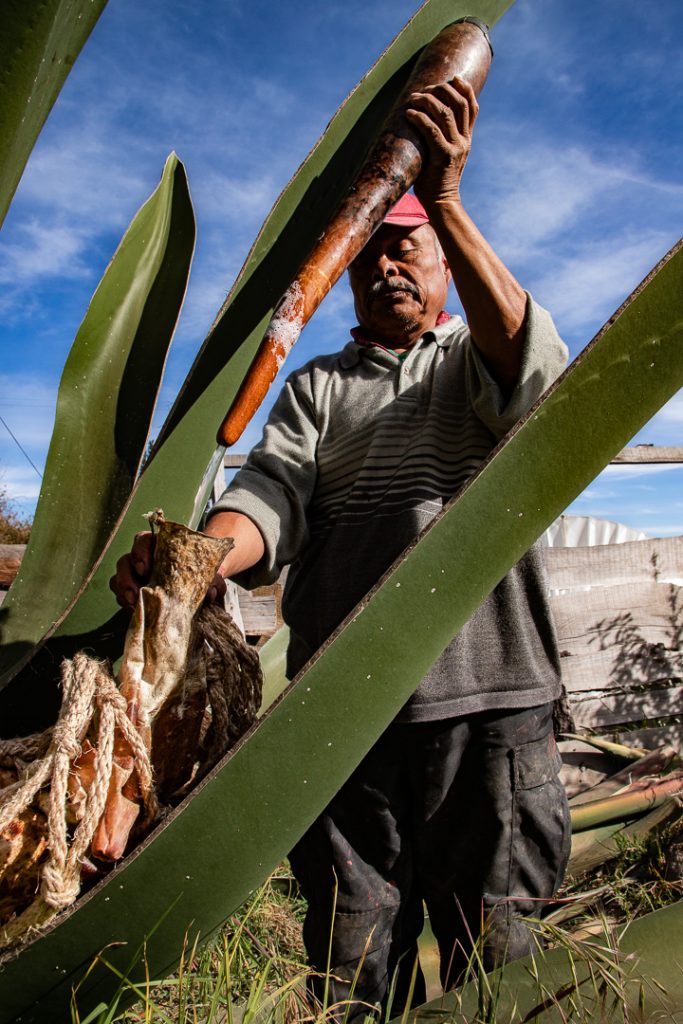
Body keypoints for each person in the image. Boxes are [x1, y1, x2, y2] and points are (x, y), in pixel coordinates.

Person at [112, 76, 570, 1018]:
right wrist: (198, 562)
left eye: (405, 246)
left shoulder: (472, 357)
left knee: (508, 978)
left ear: (443, 257)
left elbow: (532, 381)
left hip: (492, 722)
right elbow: (268, 499)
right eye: (366, 255)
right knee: (354, 980)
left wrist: (444, 195)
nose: (384, 268)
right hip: (343, 731)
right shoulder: (316, 389)